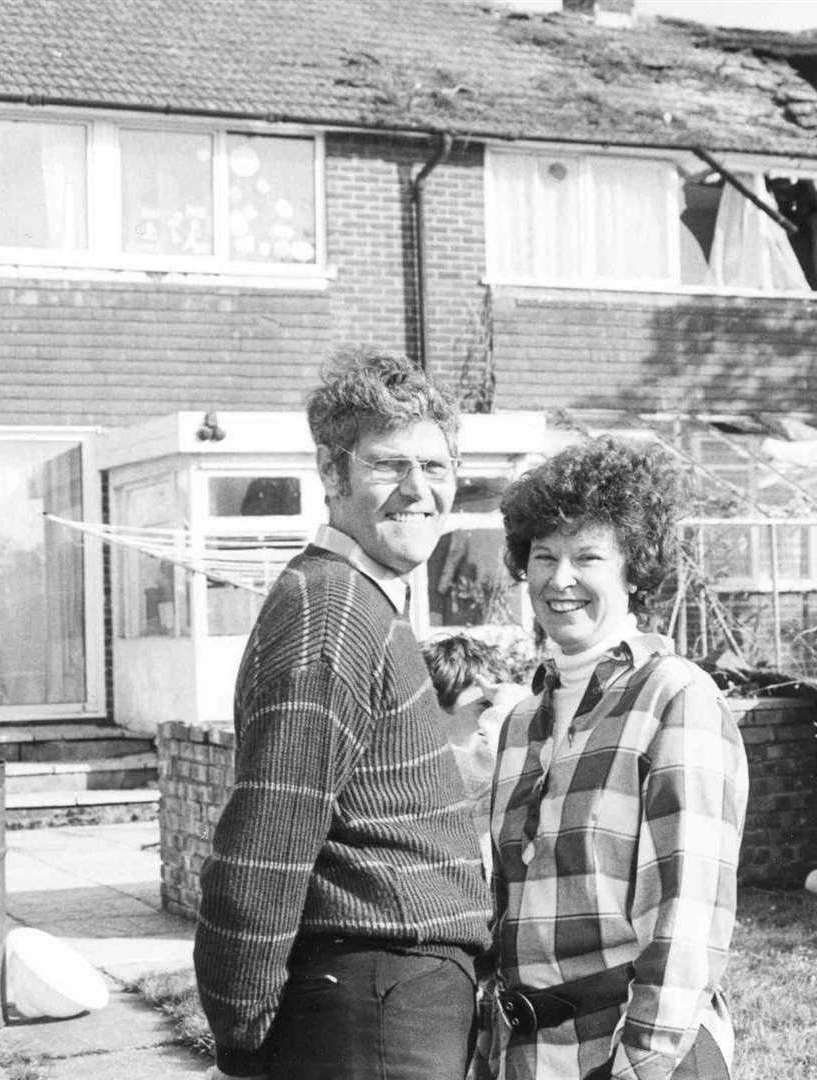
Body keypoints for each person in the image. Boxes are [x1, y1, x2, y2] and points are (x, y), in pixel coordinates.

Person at [193, 347, 493, 1080]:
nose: (418, 490)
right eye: (390, 465)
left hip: (395, 996)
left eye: (438, 468)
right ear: (332, 473)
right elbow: (269, 837)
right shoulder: (331, 611)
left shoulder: (360, 600)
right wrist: (241, 1034)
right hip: (372, 1004)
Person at [478, 435, 749, 1080]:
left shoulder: (674, 695)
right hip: (531, 1054)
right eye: (543, 556)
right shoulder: (520, 723)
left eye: (587, 556)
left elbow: (690, 907)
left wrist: (644, 1061)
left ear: (632, 570)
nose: (560, 578)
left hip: (632, 1051)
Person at [422, 631, 532, 852]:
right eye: (484, 706)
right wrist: (502, 711)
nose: (494, 715)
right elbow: (490, 762)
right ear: (434, 707)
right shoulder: (433, 770)